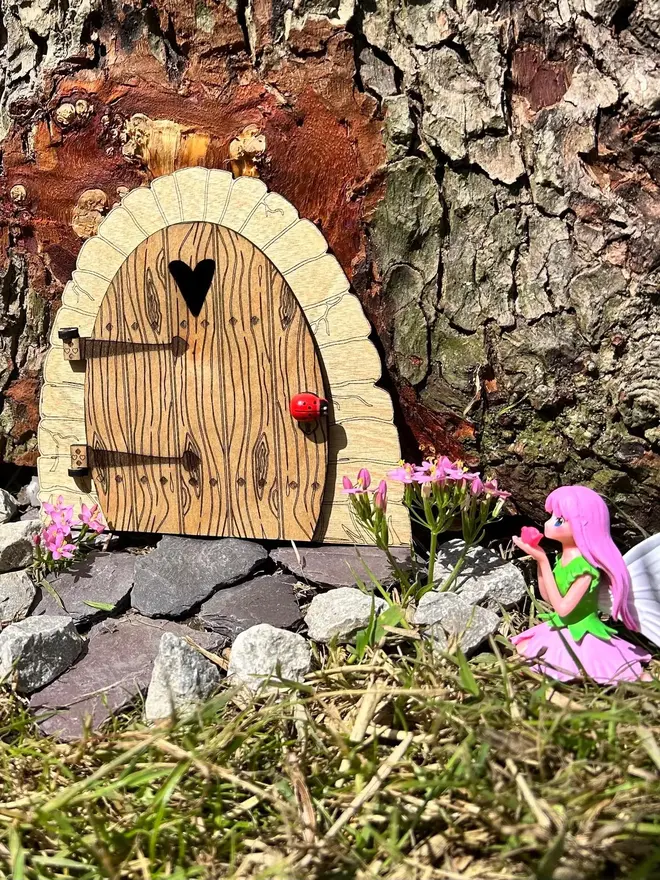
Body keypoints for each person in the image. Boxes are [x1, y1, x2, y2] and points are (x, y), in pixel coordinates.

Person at [512, 485, 653, 683]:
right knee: (526, 647)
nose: (548, 523)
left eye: (559, 520)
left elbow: (562, 608)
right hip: (563, 625)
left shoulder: (586, 568)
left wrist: (543, 561)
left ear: (583, 525)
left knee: (590, 665)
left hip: (581, 629)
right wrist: (539, 561)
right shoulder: (562, 558)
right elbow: (547, 596)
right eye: (552, 516)